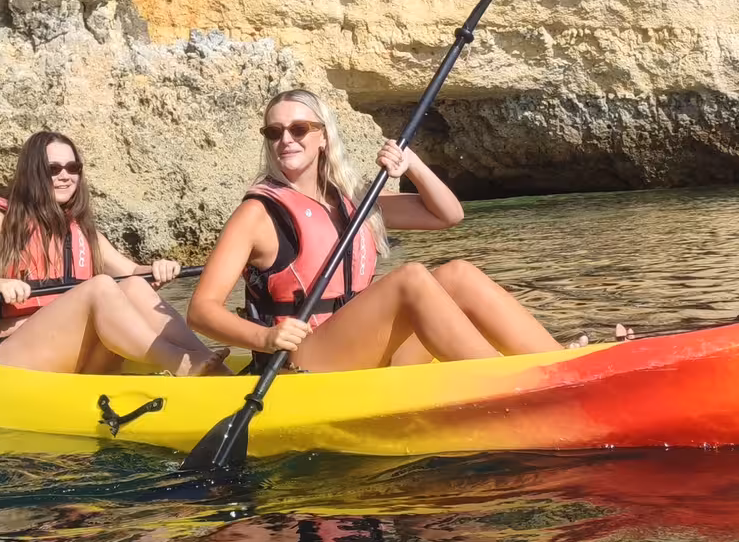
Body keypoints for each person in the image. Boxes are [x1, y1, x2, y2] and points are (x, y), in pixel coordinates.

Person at [188, 89, 560, 372]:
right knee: (410, 278)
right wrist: (265, 337)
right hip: (301, 359)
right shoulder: (257, 214)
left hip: (363, 346)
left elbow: (447, 215)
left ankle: (557, 364)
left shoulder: (353, 202)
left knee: (458, 274)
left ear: (323, 137)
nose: (286, 139)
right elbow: (201, 311)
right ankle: (503, 383)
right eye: (275, 131)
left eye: (299, 128)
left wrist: (411, 164)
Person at [0, 130, 227, 376]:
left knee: (132, 285)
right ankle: (181, 362)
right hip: (13, 355)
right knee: (101, 286)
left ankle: (211, 365)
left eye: (73, 168)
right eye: (53, 169)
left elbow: (133, 273)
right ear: (33, 173)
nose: (65, 176)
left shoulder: (80, 230)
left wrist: (157, 269)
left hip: (74, 354)